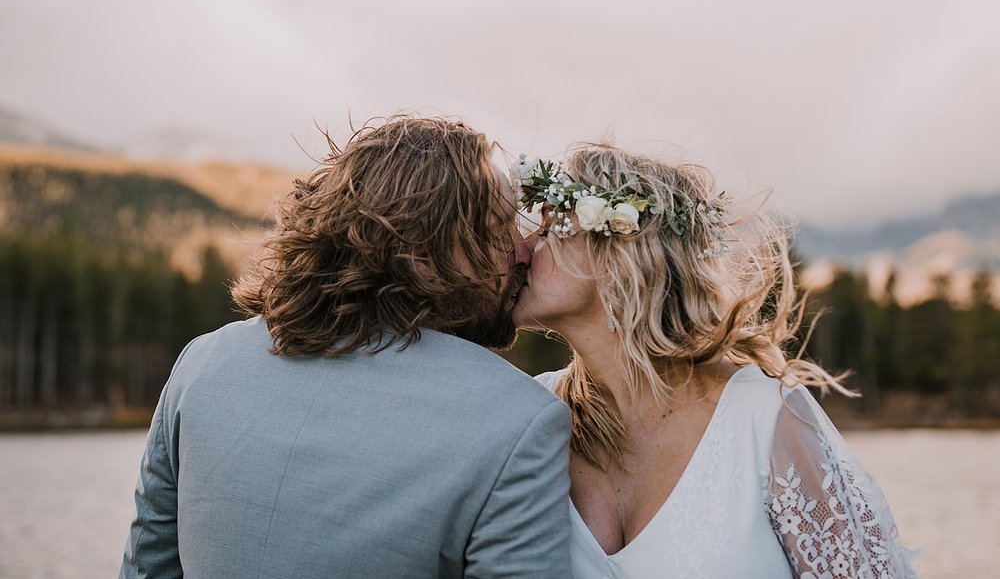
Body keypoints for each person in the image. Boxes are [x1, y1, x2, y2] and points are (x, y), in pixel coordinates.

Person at [119, 116, 572, 578]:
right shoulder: (519, 420)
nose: (522, 252)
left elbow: (144, 570)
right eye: (501, 231)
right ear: (426, 252)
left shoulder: (203, 364)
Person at [510, 144, 917, 578]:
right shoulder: (529, 416)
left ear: (619, 258)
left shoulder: (766, 419)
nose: (525, 247)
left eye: (553, 230)